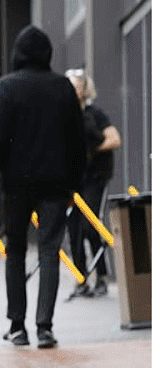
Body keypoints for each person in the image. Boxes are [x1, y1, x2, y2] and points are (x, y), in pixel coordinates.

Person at [0, 26, 86, 349]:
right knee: (50, 250)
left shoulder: (7, 87)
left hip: (16, 184)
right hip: (55, 184)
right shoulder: (63, 87)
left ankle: (16, 325)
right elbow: (77, 142)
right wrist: (73, 185)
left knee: (15, 251)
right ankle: (44, 326)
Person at [65, 69, 120, 298]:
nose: (72, 90)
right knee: (74, 227)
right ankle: (81, 279)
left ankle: (102, 276)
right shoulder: (65, 115)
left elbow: (114, 139)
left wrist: (92, 150)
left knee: (90, 226)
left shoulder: (95, 114)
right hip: (73, 178)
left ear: (84, 89)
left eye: (76, 86)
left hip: (95, 176)